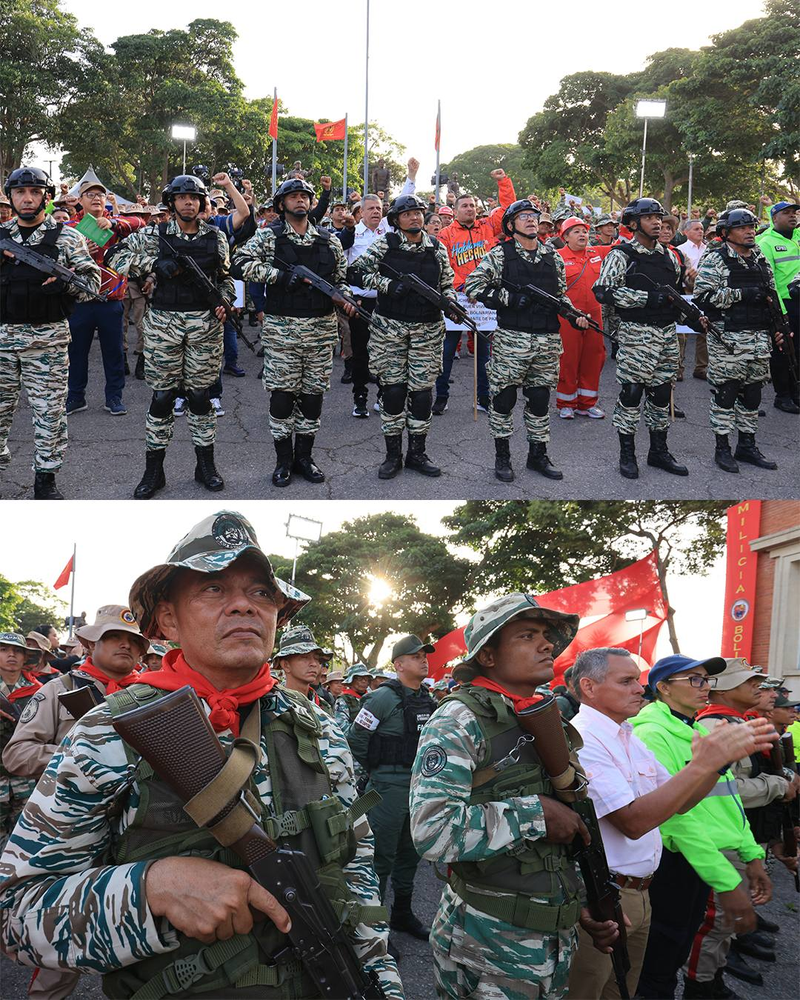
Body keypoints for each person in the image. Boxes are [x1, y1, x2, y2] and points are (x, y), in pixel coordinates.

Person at [0, 510, 403, 1000]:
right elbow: (16, 914)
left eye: (261, 593)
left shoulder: (319, 727)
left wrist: (383, 981)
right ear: (169, 618)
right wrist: (151, 889)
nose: (244, 606)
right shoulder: (108, 731)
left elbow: (356, 870)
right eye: (214, 588)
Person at [410, 594, 623, 999]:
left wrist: (580, 900)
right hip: (487, 946)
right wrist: (536, 814)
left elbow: (569, 827)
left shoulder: (542, 714)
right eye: (527, 635)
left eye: (546, 635)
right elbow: (432, 831)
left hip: (550, 940)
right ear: (488, 656)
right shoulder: (459, 719)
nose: (546, 644)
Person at [568, 648, 776, 1000]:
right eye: (627, 681)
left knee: (624, 989)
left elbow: (681, 803)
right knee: (590, 989)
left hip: (640, 891)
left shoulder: (628, 735)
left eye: (637, 680)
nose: (640, 688)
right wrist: (703, 765)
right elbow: (633, 822)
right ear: (589, 687)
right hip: (607, 894)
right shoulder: (585, 739)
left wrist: (716, 764)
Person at [3, 607, 148, 1000]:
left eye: (134, 641)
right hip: (71, 835)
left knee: (138, 940)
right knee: (63, 942)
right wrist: (83, 756)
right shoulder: (59, 690)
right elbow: (17, 754)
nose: (125, 645)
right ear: (90, 643)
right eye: (114, 637)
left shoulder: (153, 694)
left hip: (137, 834)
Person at [631, 654, 771, 999]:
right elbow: (674, 819)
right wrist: (725, 880)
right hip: (680, 861)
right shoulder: (651, 734)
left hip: (705, 858)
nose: (705, 686)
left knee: (680, 948)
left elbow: (728, 801)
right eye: (694, 679)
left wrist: (751, 853)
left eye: (706, 679)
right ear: (663, 688)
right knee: (660, 963)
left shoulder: (695, 730)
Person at [110, 174, 235, 498]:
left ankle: (205, 466)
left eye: (194, 197)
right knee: (163, 397)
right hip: (163, 324)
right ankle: (154, 471)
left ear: (202, 202)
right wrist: (153, 264)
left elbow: (225, 278)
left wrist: (224, 300)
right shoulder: (155, 234)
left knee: (200, 397)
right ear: (171, 202)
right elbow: (115, 257)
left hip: (204, 327)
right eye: (181, 197)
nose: (188, 202)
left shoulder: (216, 237)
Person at [231, 178, 356, 487]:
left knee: (313, 399)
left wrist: (345, 298)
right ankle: (283, 461)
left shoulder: (329, 240)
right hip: (282, 333)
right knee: (282, 399)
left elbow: (340, 279)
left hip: (320, 333)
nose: (300, 200)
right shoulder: (268, 237)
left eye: (305, 196)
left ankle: (305, 458)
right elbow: (239, 263)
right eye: (293, 196)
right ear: (281, 203)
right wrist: (277, 276)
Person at [466, 200, 589, 482]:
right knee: (504, 399)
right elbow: (473, 285)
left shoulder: (552, 256)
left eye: (533, 215)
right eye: (523, 217)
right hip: (512, 340)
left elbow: (560, 295)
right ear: (511, 225)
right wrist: (508, 298)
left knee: (540, 400)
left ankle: (538, 456)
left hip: (547, 340)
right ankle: (503, 457)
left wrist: (573, 315)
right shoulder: (500, 254)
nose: (531, 220)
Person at [0, 166, 100, 499]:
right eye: (20, 192)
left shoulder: (67, 237)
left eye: (34, 192)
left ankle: (46, 478)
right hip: (2, 341)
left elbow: (92, 284)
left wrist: (65, 286)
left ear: (47, 197)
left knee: (49, 415)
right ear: (11, 197)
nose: (27, 199)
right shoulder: (0, 236)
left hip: (47, 343)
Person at [350, 194, 457, 479]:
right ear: (396, 220)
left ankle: (417, 454)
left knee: (421, 395)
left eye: (418, 212)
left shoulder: (436, 247)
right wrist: (386, 284)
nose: (414, 217)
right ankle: (392, 455)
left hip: (427, 330)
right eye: (407, 214)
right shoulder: (385, 244)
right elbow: (355, 273)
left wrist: (450, 302)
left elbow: (447, 284)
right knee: (394, 392)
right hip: (390, 329)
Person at [593, 198, 692, 480]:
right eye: (649, 218)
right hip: (636, 333)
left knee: (661, 395)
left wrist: (692, 317)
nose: (657, 222)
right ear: (634, 224)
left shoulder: (670, 256)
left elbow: (674, 296)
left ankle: (658, 451)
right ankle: (627, 454)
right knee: (632, 394)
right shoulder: (621, 255)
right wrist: (647, 298)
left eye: (659, 217)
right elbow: (603, 291)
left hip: (666, 335)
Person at [348, 635, 436, 943]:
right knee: (380, 858)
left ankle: (401, 914)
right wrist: (379, 771)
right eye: (416, 656)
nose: (423, 660)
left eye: (425, 655)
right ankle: (375, 928)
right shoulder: (382, 698)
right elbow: (356, 738)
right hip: (387, 789)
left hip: (417, 788)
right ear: (398, 665)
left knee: (410, 854)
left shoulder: (427, 698)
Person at [693, 208, 780, 473]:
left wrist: (778, 326)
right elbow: (703, 297)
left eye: (752, 227)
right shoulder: (716, 259)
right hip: (728, 339)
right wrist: (742, 294)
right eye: (742, 228)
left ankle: (747, 445)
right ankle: (722, 448)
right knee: (726, 393)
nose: (750, 231)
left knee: (753, 394)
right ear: (726, 233)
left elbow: (770, 294)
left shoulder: (759, 258)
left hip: (758, 337)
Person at [339, 158, 419, 419]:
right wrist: (348, 298)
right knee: (361, 353)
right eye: (370, 208)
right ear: (360, 212)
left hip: (387, 302)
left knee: (388, 352)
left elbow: (404, 199)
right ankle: (360, 397)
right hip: (361, 303)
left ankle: (384, 396)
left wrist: (411, 175)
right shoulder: (352, 234)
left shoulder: (388, 230)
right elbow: (343, 267)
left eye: (379, 208)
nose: (376, 212)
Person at [434, 170, 517, 415]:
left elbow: (508, 208)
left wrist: (503, 181)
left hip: (484, 301)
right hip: (457, 299)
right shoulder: (445, 234)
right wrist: (464, 287)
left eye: (473, 205)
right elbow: (443, 265)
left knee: (484, 354)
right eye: (465, 205)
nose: (470, 209)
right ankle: (441, 397)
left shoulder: (488, 226)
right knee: (447, 351)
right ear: (455, 210)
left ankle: (483, 398)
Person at [64, 180, 148, 417]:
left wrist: (112, 223)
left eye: (100, 195)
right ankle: (76, 397)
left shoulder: (116, 223)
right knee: (76, 353)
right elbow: (58, 259)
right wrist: (81, 252)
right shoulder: (70, 227)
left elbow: (141, 222)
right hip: (80, 301)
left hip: (111, 302)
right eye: (90, 195)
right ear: (80, 200)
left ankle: (114, 397)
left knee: (114, 353)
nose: (96, 198)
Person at [556, 216, 614, 419]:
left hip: (594, 316)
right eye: (576, 231)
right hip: (568, 317)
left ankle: (587, 403)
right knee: (568, 358)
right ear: (565, 237)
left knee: (594, 357)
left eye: (584, 231)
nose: (582, 234)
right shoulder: (557, 257)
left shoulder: (597, 252)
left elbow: (623, 247)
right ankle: (566, 403)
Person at [755, 200, 800, 413]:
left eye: (794, 213)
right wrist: (781, 313)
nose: (793, 216)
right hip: (784, 305)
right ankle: (783, 396)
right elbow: (769, 282)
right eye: (787, 213)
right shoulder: (766, 243)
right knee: (784, 352)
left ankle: (796, 392)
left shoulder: (798, 237)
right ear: (774, 218)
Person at [0, 633, 42, 854]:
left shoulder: (39, 690)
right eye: (4, 650)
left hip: (26, 777)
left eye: (17, 651)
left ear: (25, 657)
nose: (11, 655)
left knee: (24, 836)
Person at [272, 624, 334, 714]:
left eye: (317, 659)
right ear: (286, 665)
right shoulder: (271, 704)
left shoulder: (323, 706)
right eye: (305, 657)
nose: (314, 664)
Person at [335, 664, 371, 728]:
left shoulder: (372, 698)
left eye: (366, 678)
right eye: (359, 678)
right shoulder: (343, 700)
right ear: (351, 681)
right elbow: (341, 726)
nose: (363, 681)